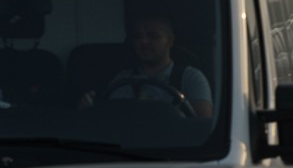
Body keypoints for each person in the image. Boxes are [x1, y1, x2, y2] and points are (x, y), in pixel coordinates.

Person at [79, 14, 213, 117]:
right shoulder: (122, 79)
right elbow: (110, 120)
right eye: (138, 36)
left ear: (170, 40)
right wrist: (89, 111)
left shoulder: (191, 78)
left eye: (153, 36)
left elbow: (201, 125)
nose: (143, 41)